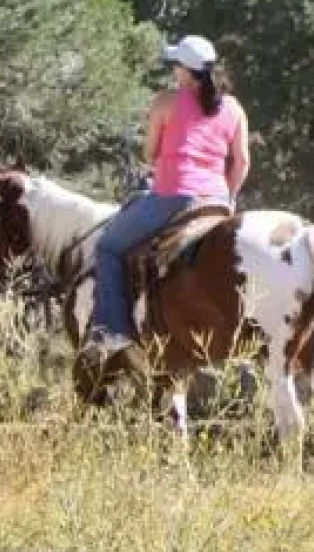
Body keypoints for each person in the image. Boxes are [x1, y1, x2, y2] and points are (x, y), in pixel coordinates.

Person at [82, 35, 250, 362]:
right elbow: (242, 162)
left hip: (172, 197)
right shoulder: (234, 108)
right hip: (215, 201)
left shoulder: (166, 102)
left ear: (187, 71)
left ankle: (113, 330)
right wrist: (228, 198)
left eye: (176, 65)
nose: (173, 70)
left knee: (109, 247)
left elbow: (149, 152)